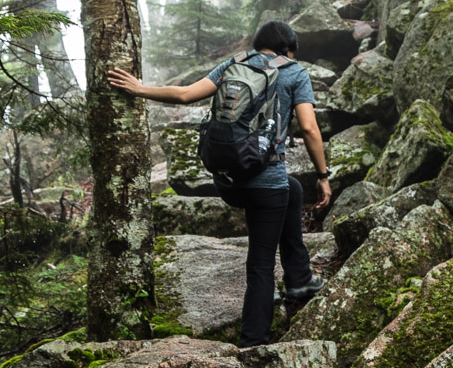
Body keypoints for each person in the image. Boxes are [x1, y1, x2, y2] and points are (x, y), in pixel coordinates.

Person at [107, 20, 331, 347]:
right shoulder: (294, 72)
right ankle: (253, 343)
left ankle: (300, 279)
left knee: (293, 190)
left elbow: (185, 95)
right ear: (289, 49)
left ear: (258, 44)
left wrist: (140, 89)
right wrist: (323, 177)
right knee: (260, 264)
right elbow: (310, 129)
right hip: (265, 185)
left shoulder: (235, 64)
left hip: (228, 181)